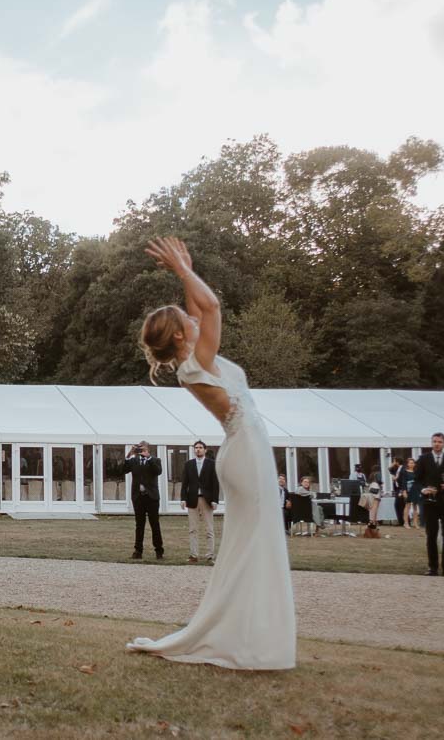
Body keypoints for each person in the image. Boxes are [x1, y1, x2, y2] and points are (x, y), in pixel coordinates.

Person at [126, 237, 294, 670]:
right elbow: (213, 307)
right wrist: (183, 273)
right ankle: (249, 641)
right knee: (255, 548)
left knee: (251, 547)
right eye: (184, 317)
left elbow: (200, 312)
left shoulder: (193, 358)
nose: (191, 313)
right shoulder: (199, 358)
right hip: (246, 451)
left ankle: (250, 635)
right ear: (181, 335)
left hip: (244, 447)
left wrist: (185, 269)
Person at [415, 433, 444, 576]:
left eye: (439, 442)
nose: (437, 444)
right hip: (429, 501)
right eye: (434, 441)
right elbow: (417, 480)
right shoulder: (423, 459)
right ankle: (432, 567)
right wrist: (423, 489)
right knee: (431, 535)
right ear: (431, 443)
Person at [110, 441, 164, 560]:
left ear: (148, 449)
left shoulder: (155, 460)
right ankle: (138, 551)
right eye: (139, 449)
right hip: (138, 497)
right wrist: (129, 454)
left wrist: (148, 458)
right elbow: (122, 470)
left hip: (152, 497)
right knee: (139, 525)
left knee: (155, 524)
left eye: (143, 449)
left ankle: (159, 551)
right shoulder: (134, 461)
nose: (141, 451)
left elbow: (158, 471)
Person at [181, 440, 219, 564]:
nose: (198, 449)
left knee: (209, 529)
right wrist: (183, 499)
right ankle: (193, 555)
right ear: (194, 450)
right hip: (192, 500)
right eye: (196, 447)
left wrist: (215, 500)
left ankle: (210, 556)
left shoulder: (211, 464)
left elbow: (215, 483)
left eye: (200, 447)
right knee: (193, 529)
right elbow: (184, 483)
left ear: (205, 450)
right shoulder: (188, 464)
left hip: (207, 500)